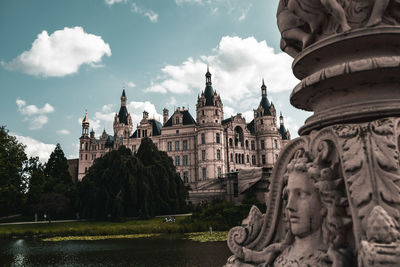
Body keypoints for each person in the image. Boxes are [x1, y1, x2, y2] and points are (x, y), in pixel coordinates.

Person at [243, 151, 349, 266]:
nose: (289, 206)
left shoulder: (334, 261)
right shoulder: (277, 254)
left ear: (324, 203)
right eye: (288, 195)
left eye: (300, 194)